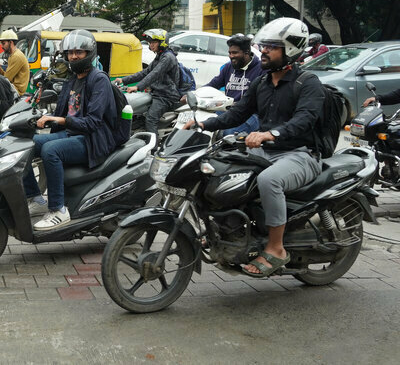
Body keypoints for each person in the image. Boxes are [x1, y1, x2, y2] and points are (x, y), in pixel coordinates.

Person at [184, 17, 324, 277]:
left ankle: (276, 248)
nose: (264, 51)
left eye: (272, 46)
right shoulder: (261, 83)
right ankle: (228, 232)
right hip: (265, 152)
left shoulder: (308, 83)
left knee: (270, 180)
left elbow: (304, 120)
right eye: (264, 46)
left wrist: (269, 133)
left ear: (290, 50)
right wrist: (202, 124)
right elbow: (236, 114)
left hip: (299, 154)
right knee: (219, 169)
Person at [22, 30, 120, 230]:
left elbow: (92, 122)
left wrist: (58, 119)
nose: (73, 56)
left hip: (93, 139)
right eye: (70, 52)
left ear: (89, 53)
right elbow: (62, 110)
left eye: (79, 52)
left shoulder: (99, 79)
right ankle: (35, 197)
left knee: (51, 151)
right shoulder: (73, 78)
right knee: (25, 144)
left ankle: (58, 209)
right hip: (73, 134)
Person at [114, 29, 181, 140]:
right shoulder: (160, 56)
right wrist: (123, 80)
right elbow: (145, 72)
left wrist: (137, 87)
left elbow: (155, 74)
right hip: (156, 93)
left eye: (154, 42)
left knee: (150, 118)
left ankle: (152, 148)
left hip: (166, 96)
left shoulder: (168, 57)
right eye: (150, 42)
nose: (151, 45)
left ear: (162, 42)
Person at [202, 33, 264, 135]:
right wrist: (194, 94)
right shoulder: (228, 67)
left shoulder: (261, 70)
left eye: (235, 53)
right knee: (201, 124)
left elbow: (261, 101)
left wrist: (238, 105)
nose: (231, 56)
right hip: (227, 110)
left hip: (250, 114)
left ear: (247, 52)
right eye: (230, 53)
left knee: (226, 133)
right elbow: (213, 84)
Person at [0, 29, 30, 95]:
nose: (2, 46)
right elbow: (7, 76)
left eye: (3, 43)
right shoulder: (12, 55)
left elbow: (7, 79)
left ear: (11, 42)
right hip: (14, 88)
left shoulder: (16, 56)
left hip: (16, 91)